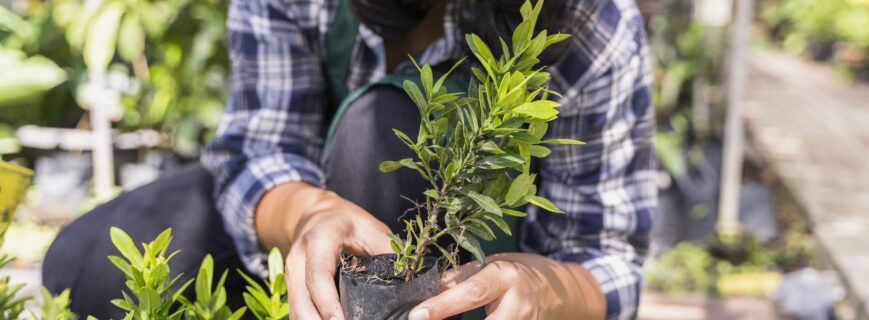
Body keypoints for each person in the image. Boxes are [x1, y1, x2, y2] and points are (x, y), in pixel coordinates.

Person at [43, 0, 655, 319]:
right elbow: (262, 148)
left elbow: (604, 258)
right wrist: (308, 216)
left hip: (474, 278)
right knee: (89, 266)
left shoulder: (590, 21)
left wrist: (545, 290)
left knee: (380, 131)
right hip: (301, 232)